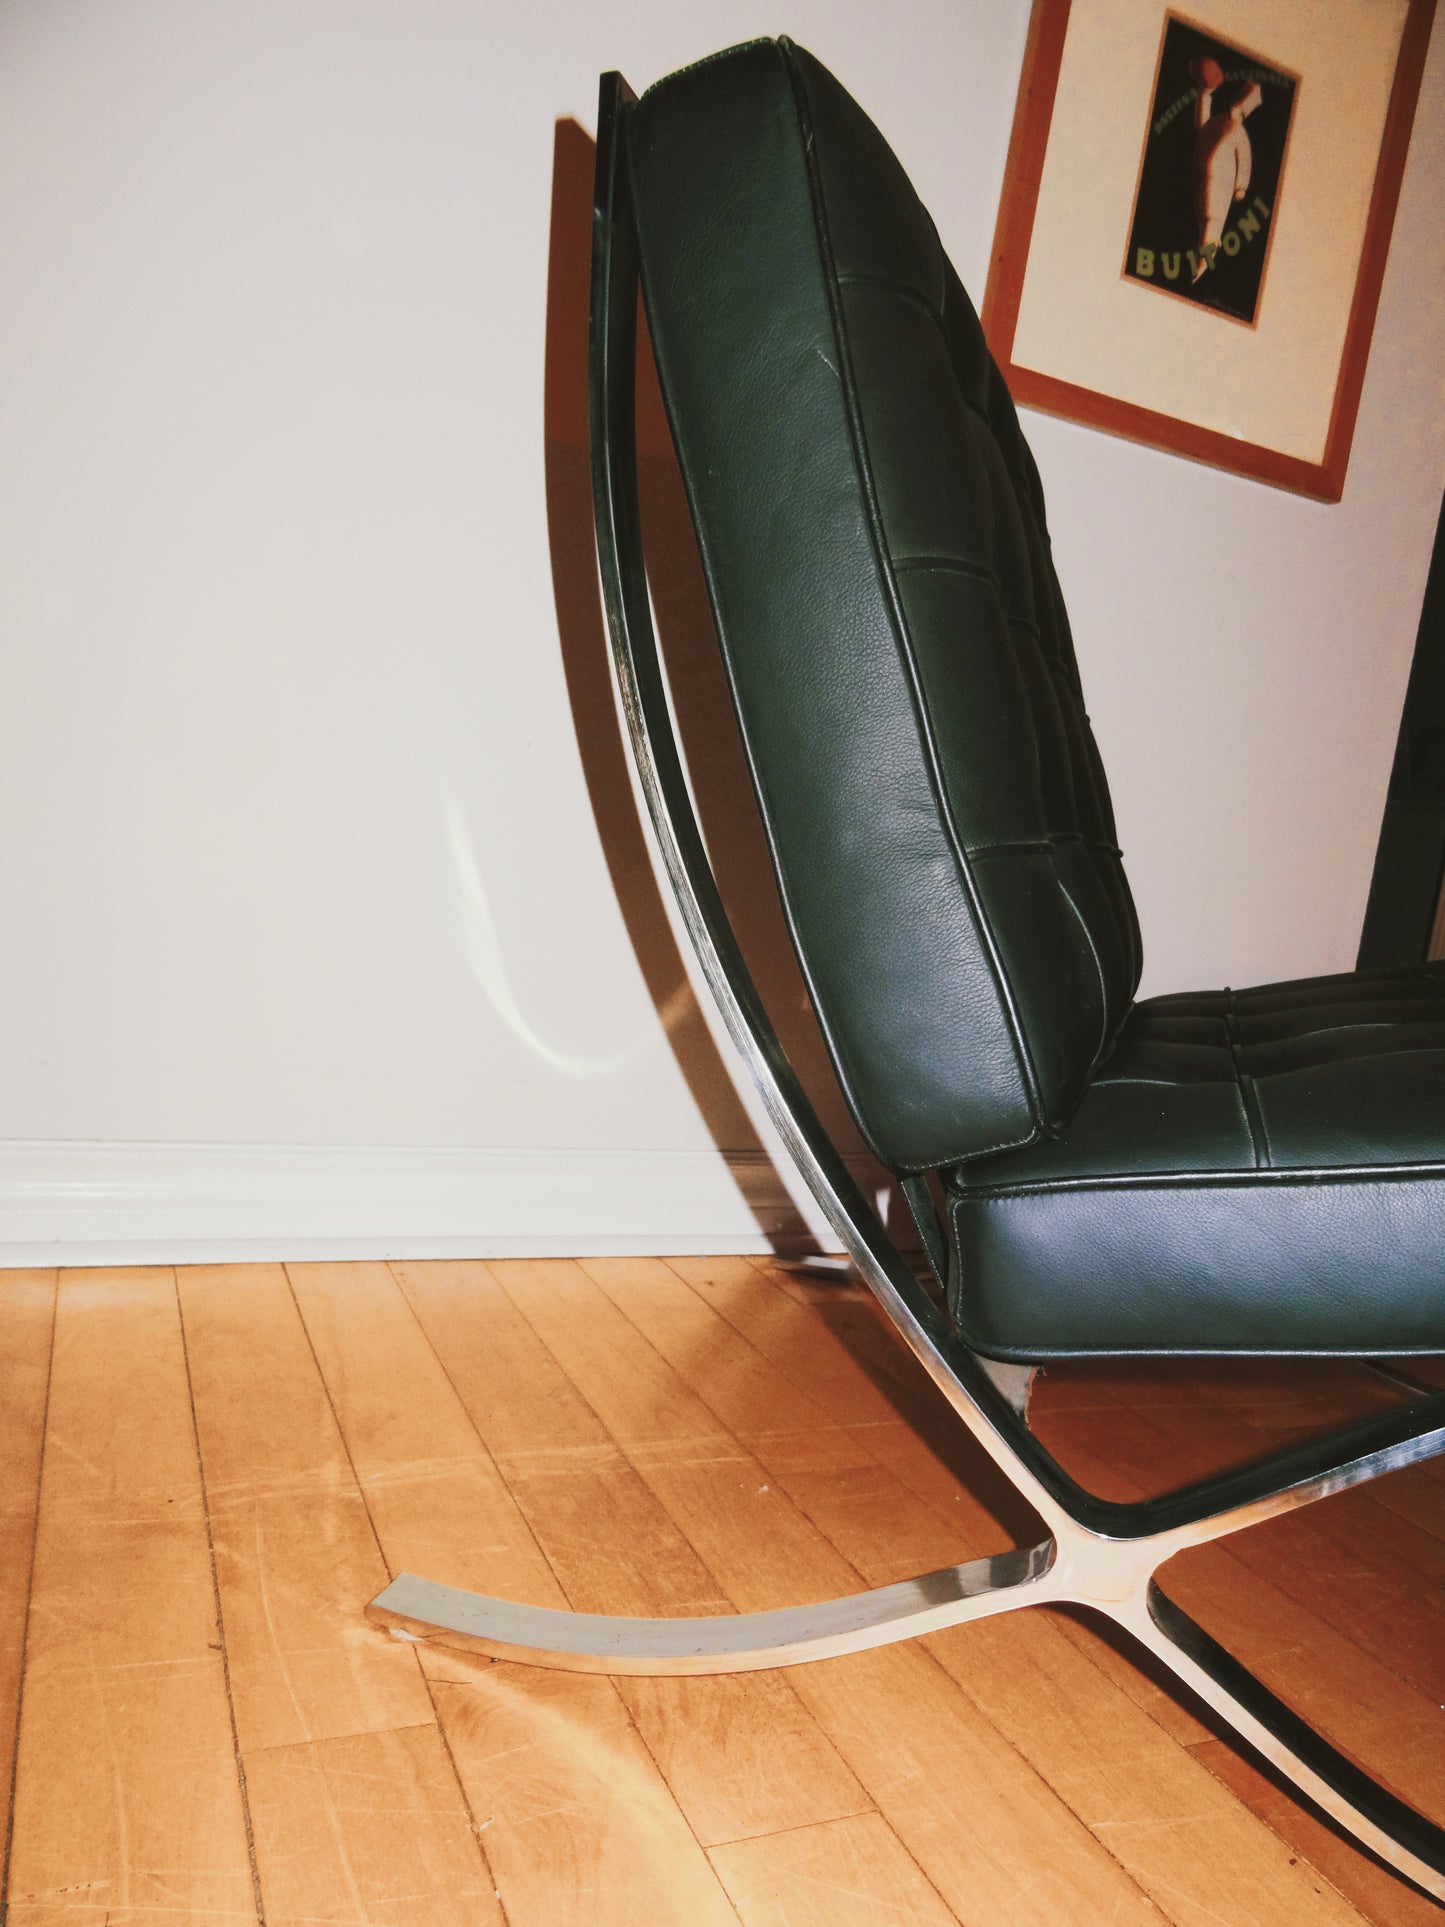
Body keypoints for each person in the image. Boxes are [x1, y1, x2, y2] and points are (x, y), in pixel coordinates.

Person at [1188, 56, 1264, 281]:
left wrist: (1241, 186)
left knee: (1212, 222)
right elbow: (1201, 125)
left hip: (1220, 183)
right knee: (1204, 221)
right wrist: (1204, 95)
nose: (1235, 109)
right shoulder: (1217, 122)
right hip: (1201, 178)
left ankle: (1202, 266)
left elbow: (1245, 158)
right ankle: (1204, 260)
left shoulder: (1239, 132)